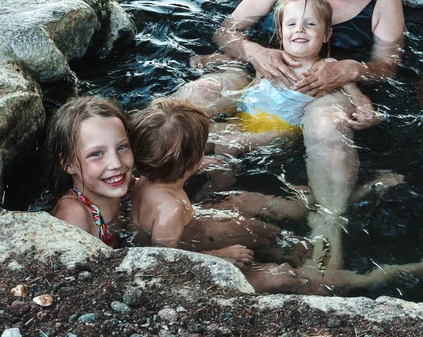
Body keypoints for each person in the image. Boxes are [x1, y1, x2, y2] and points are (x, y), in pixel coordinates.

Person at [175, 0, 404, 271]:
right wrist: (252, 51)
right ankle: (152, 167)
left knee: (324, 121)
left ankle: (328, 220)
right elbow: (226, 31)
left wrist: (353, 69)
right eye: (293, 24)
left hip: (322, 88)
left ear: (326, 32)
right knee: (199, 94)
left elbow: (387, 65)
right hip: (258, 77)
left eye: (310, 24)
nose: (301, 30)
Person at [128, 97, 423, 295]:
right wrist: (220, 257)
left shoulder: (147, 180)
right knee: (297, 276)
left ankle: (333, 201)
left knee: (249, 205)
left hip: (197, 225)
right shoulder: (169, 209)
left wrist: (197, 166)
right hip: (201, 252)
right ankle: (387, 273)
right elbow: (164, 259)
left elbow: (168, 181)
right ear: (190, 161)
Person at [47, 96, 134, 247]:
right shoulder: (74, 217)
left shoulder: (129, 185)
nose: (116, 163)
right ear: (68, 164)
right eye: (96, 154)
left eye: (122, 147)